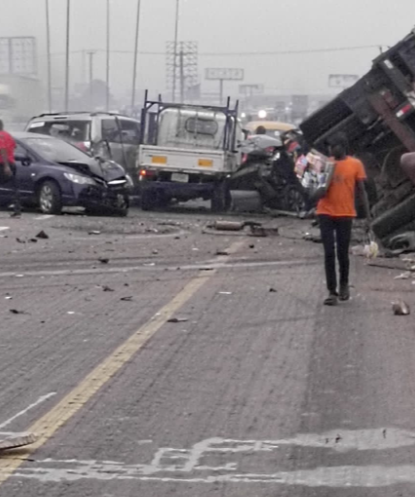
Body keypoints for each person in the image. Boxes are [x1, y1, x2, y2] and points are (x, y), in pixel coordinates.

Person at [316, 133, 371, 306]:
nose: (331, 150)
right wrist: (320, 187)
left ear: (342, 146)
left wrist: (367, 214)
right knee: (329, 253)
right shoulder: (327, 164)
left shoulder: (355, 164)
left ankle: (344, 284)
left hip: (345, 213)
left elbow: (361, 191)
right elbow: (319, 189)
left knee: (342, 252)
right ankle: (332, 291)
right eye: (330, 147)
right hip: (325, 212)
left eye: (333, 146)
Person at [0, 120, 21, 217]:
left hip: (3, 164)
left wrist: (6, 166)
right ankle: (17, 209)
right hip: (12, 163)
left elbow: (2, 149)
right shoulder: (8, 135)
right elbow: (14, 146)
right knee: (14, 187)